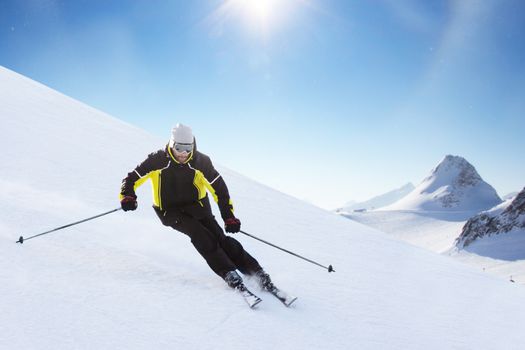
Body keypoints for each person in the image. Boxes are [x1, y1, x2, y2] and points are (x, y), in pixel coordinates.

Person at [119, 123, 273, 292]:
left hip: (199, 207)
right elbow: (131, 178)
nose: (183, 153)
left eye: (188, 148)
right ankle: (229, 273)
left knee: (220, 238)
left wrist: (228, 216)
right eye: (179, 148)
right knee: (200, 234)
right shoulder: (157, 160)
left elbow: (219, 189)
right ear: (171, 144)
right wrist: (128, 196)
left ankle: (257, 272)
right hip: (170, 210)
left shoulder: (201, 162)